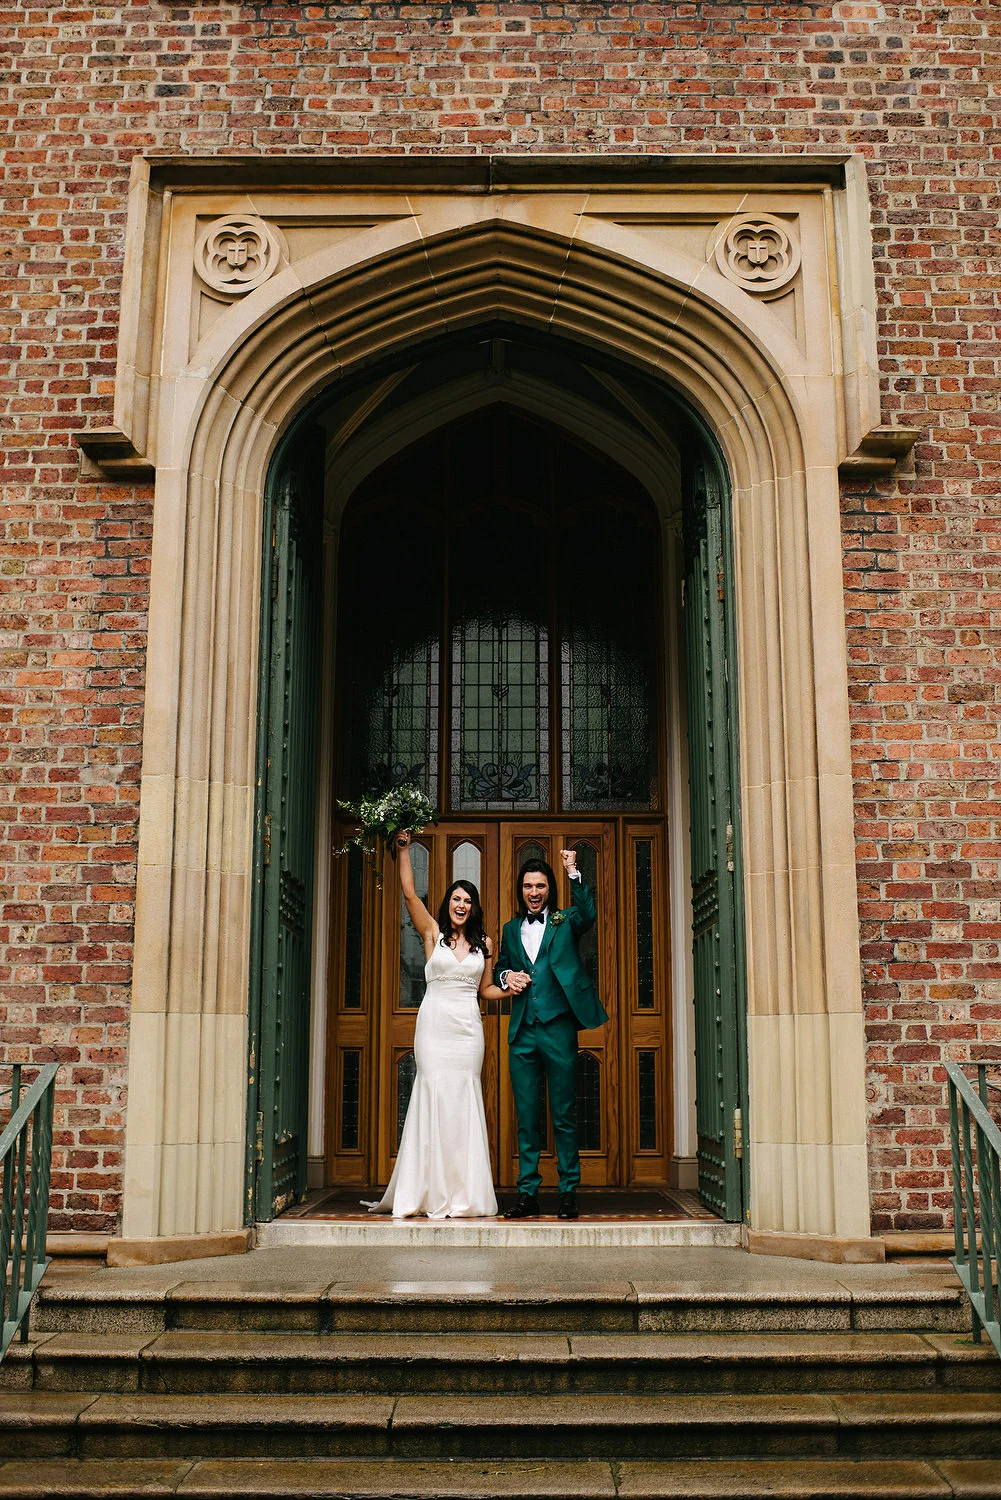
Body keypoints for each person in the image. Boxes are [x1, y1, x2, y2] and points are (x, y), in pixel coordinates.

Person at [365, 831, 502, 1219]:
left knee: (463, 1102)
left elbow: (486, 989)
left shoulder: (485, 945)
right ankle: (424, 1191)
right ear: (448, 904)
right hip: (435, 1028)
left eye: (468, 900)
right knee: (432, 1096)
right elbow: (410, 894)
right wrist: (404, 850)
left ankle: (465, 1193)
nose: (461, 905)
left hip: (467, 1032)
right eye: (456, 899)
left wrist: (511, 988)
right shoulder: (433, 935)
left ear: (474, 908)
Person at [496, 849, 609, 1221]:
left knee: (563, 1113)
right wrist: (506, 977)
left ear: (549, 890)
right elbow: (500, 967)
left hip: (559, 1028)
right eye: (528, 885)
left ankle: (567, 1193)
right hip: (523, 1032)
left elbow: (589, 914)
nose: (534, 891)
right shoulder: (511, 930)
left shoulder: (565, 921)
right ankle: (527, 1194)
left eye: (541, 885)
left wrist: (573, 870)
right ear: (520, 890)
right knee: (527, 1117)